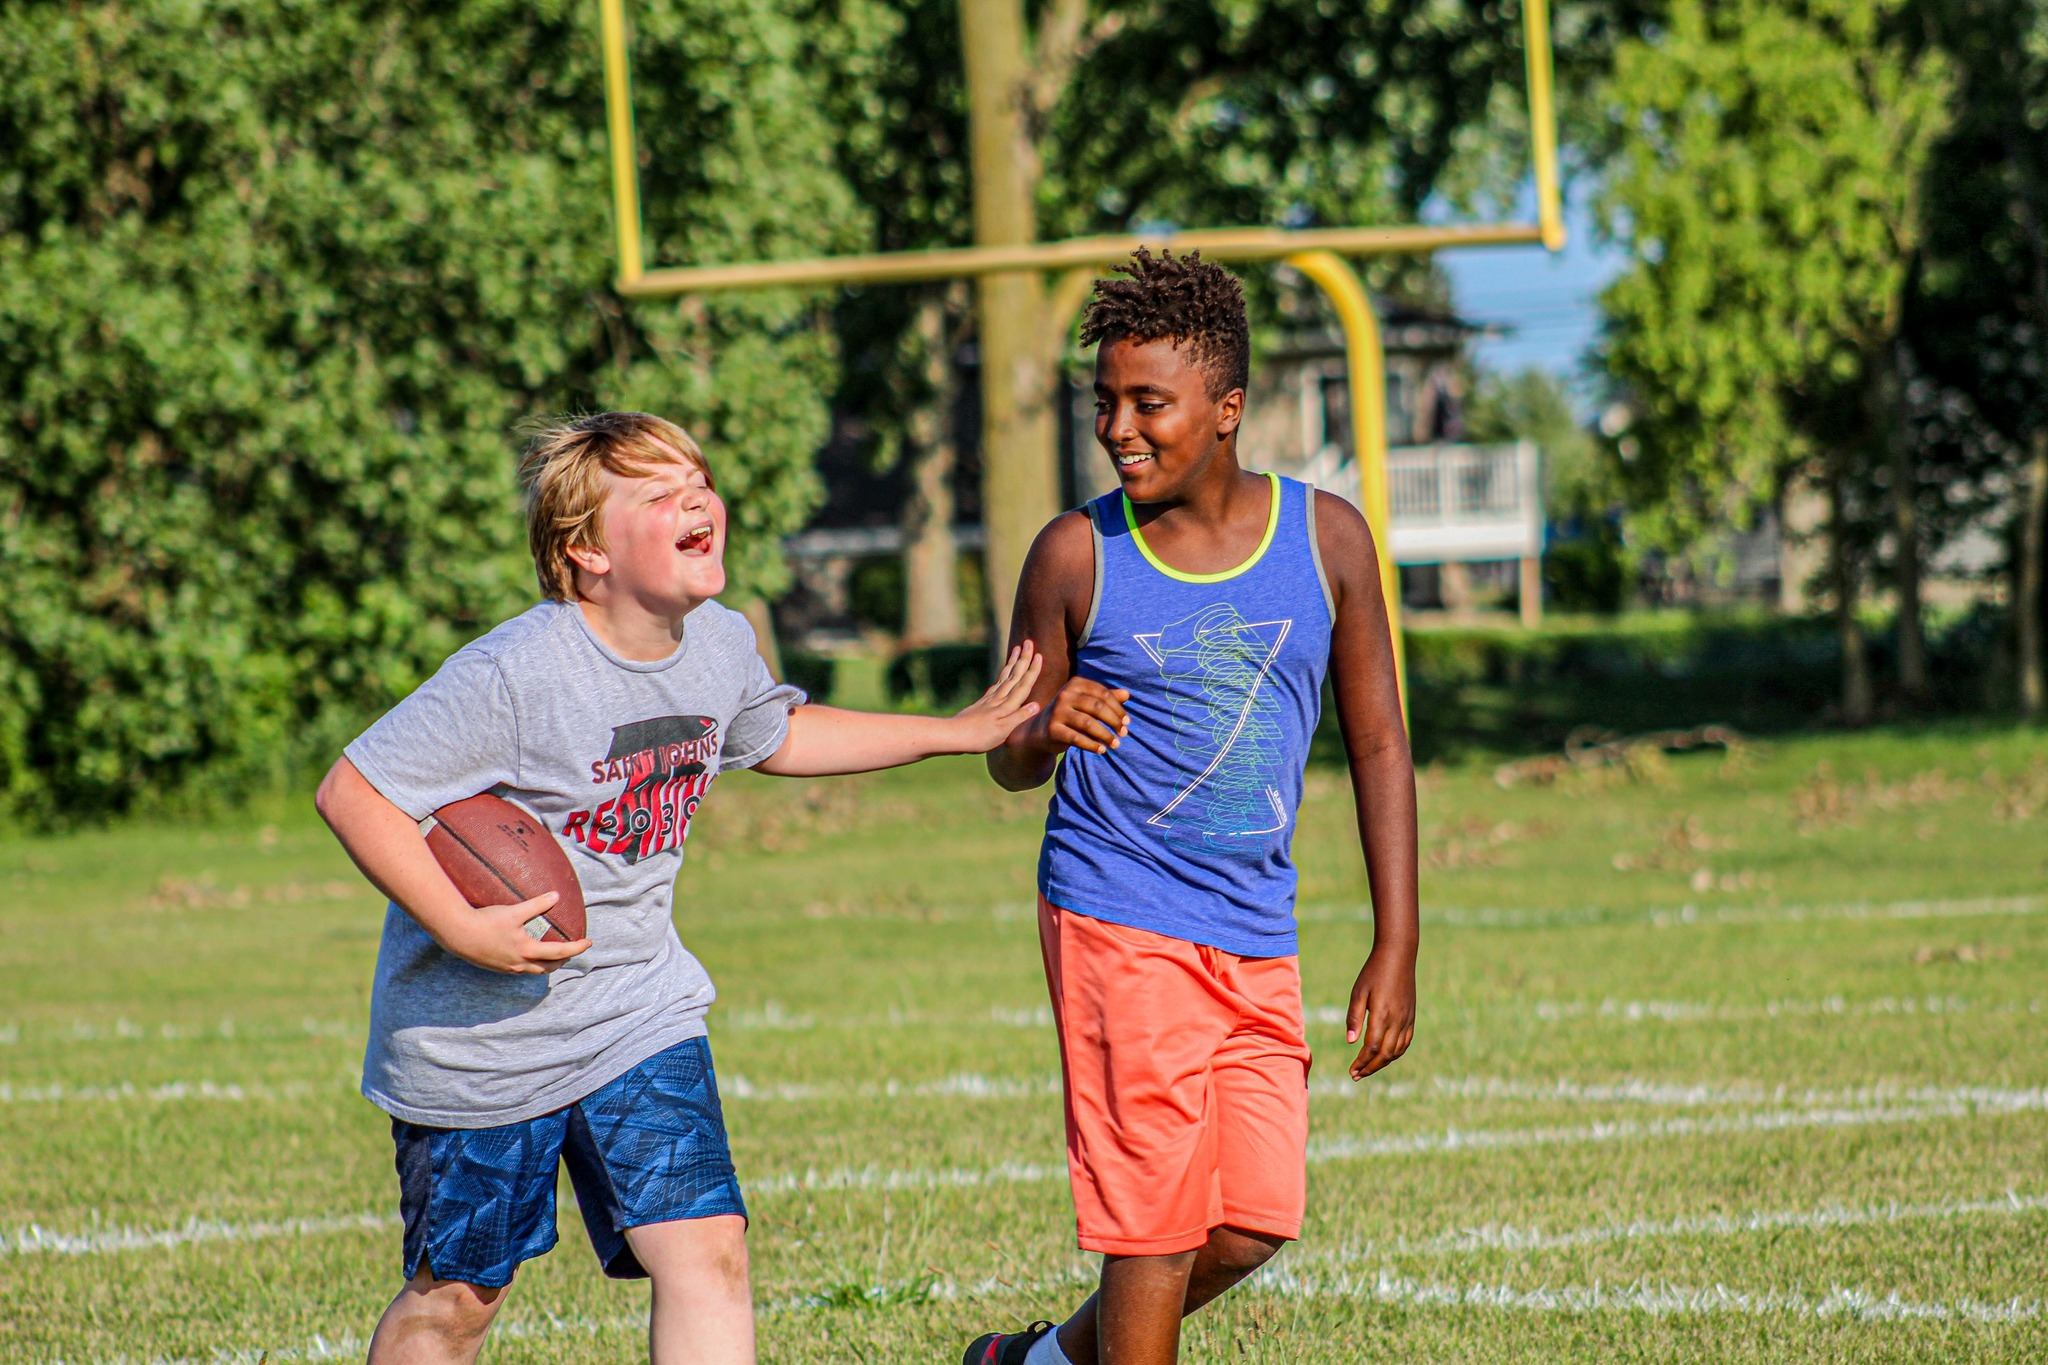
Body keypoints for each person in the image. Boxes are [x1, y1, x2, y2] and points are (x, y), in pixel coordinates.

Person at [314, 411, 1041, 1365]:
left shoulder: (719, 644)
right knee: (458, 1298)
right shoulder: (516, 673)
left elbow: (778, 736)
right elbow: (353, 789)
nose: (696, 499)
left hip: (636, 1007)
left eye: (698, 480)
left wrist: (955, 731)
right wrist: (462, 927)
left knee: (709, 1248)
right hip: (482, 1043)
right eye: (659, 496)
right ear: (587, 552)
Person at [967, 250, 1420, 1365]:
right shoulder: (1075, 555)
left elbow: (1376, 741)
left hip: (1256, 932)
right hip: (1115, 916)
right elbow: (1005, 757)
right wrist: (1041, 726)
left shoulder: (1326, 540)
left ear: (1225, 410)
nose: (1119, 427)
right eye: (1103, 404)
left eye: (1147, 404)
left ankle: (1037, 1364)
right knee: (1155, 1230)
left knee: (1254, 1219)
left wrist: (1396, 939)